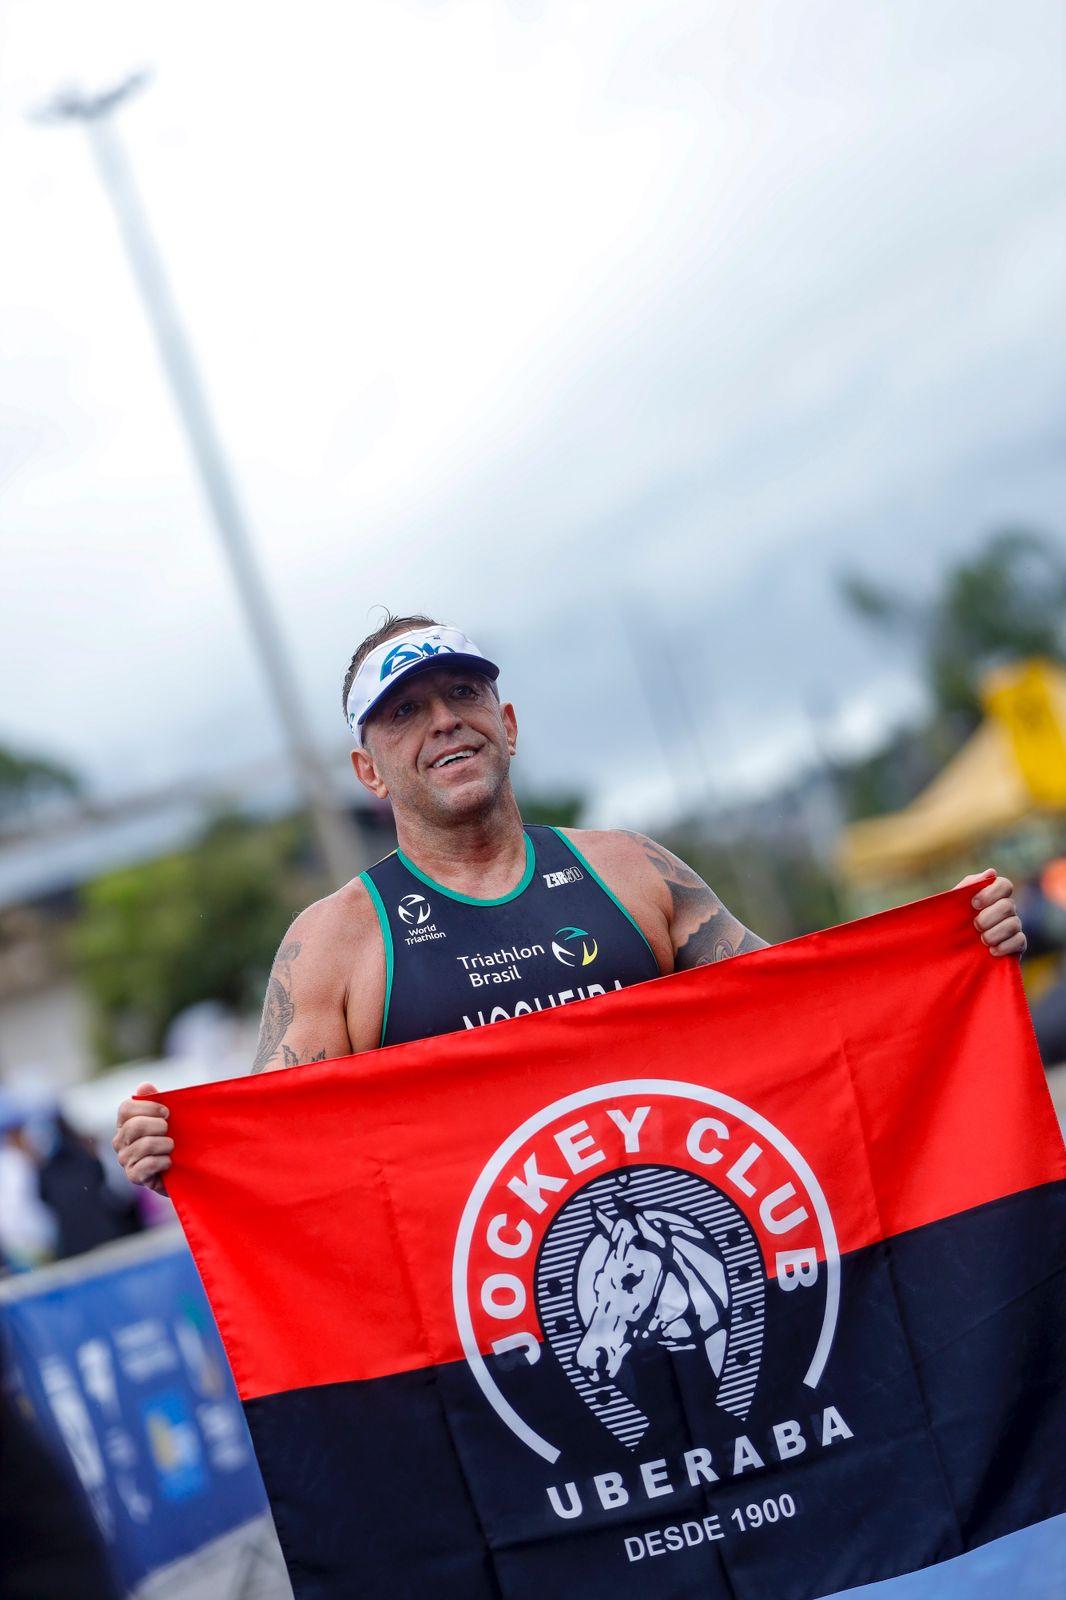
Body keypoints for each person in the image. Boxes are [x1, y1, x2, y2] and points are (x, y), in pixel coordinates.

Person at [113, 613, 1027, 1192]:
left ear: (506, 723)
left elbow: (800, 1009)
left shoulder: (632, 870)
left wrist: (945, 946)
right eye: (404, 713)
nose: (443, 721)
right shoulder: (334, 947)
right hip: (492, 1320)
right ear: (368, 772)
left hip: (700, 1232)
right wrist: (178, 1154)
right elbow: (279, 1156)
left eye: (463, 693)